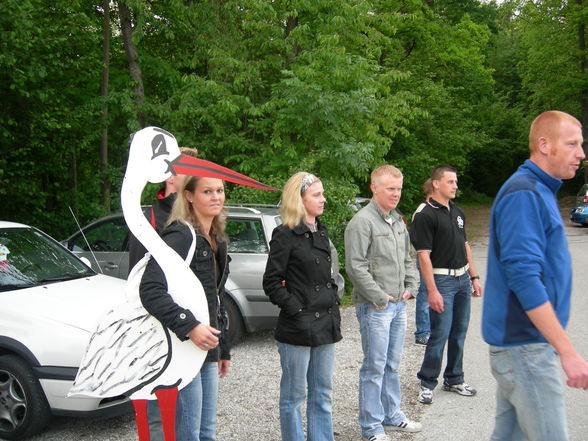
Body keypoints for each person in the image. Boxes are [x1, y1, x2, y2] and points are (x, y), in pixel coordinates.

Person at [483, 110, 588, 441]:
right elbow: (524, 278)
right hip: (525, 346)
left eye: (581, 145)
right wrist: (567, 350)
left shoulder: (538, 189)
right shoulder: (525, 193)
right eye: (572, 144)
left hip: (523, 345)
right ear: (544, 144)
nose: (581, 154)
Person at [140, 175, 231, 441]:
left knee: (206, 432)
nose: (216, 197)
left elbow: (216, 298)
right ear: (189, 196)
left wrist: (223, 347)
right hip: (184, 348)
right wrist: (189, 326)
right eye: (207, 191)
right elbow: (150, 289)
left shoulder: (215, 237)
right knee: (188, 434)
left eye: (220, 190)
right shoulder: (180, 235)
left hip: (207, 347)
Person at [263, 172, 342, 441]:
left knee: (322, 393)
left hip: (325, 323)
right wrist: (297, 309)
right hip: (298, 326)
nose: (323, 199)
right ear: (300, 198)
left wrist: (335, 299)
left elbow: (330, 274)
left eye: (322, 194)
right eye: (317, 195)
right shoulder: (284, 234)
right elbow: (272, 282)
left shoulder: (321, 230)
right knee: (294, 397)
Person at [345, 165, 421, 441]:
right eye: (390, 188)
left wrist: (412, 287)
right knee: (374, 366)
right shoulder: (362, 222)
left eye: (398, 188)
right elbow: (355, 266)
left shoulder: (398, 220)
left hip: (398, 305)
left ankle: (392, 414)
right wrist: (379, 297)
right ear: (374, 188)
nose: (396, 194)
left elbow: (407, 259)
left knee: (392, 364)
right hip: (376, 306)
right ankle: (371, 426)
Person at [409, 165, 482, 405]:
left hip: (462, 280)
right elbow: (423, 255)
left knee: (459, 332)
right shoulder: (424, 214)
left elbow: (464, 245)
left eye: (456, 182)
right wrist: (432, 290)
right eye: (450, 181)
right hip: (442, 281)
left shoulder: (457, 212)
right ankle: (427, 381)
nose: (455, 186)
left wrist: (474, 277)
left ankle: (454, 378)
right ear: (436, 184)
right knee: (439, 333)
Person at [128, 147, 198, 273]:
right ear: (169, 176)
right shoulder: (147, 221)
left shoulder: (199, 214)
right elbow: (138, 275)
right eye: (188, 171)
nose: (195, 177)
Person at [412, 178, 433, 346]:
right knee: (425, 294)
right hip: (426, 259)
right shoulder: (422, 211)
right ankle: (422, 332)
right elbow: (417, 240)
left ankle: (432, 328)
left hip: (437, 260)